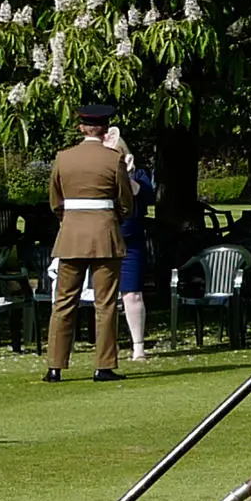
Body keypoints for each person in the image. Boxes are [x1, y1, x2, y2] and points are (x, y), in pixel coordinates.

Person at [43, 99, 130, 381]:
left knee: (63, 302)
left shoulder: (63, 158)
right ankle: (103, 366)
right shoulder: (113, 159)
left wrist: (70, 221)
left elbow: (55, 201)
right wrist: (114, 218)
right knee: (105, 304)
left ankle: (55, 366)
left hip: (71, 236)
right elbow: (125, 201)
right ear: (105, 129)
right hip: (105, 235)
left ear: (81, 127)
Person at [107, 127, 153, 360]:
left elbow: (144, 195)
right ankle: (107, 348)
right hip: (105, 238)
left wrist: (127, 175)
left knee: (133, 294)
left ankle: (138, 347)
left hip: (131, 240)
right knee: (104, 296)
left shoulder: (139, 174)